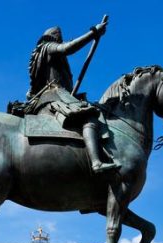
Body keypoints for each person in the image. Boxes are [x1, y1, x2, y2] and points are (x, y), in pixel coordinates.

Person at [27, 20, 120, 173]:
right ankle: (96, 162)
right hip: (55, 95)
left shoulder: (45, 54)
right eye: (59, 36)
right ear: (52, 37)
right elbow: (68, 48)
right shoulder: (48, 47)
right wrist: (93, 33)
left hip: (56, 95)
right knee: (89, 117)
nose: (61, 39)